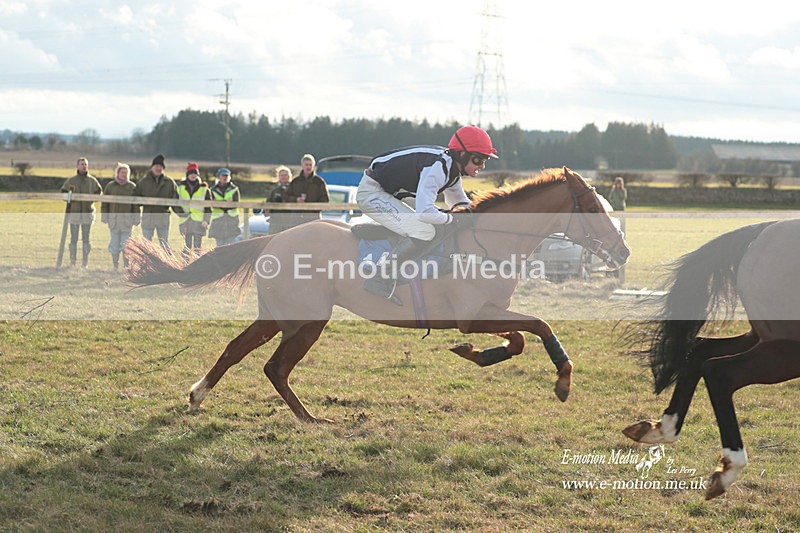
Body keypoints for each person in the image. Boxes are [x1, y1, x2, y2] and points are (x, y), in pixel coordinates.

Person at [356, 125, 497, 304]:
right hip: (373, 193)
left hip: (393, 192)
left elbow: (458, 202)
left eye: (485, 161)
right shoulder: (438, 168)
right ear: (462, 154)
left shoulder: (453, 170)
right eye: (478, 159)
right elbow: (425, 213)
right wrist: (452, 219)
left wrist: (478, 217)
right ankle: (379, 278)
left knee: (439, 220)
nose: (482, 166)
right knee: (425, 231)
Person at [60, 157, 102, 268]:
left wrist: (91, 199)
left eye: (86, 164)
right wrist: (71, 198)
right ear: (77, 166)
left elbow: (99, 193)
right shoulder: (71, 181)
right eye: (82, 164)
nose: (84, 166)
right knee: (73, 239)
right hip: (74, 214)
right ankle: (72, 262)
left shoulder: (92, 181)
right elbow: (63, 194)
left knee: (86, 239)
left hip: (87, 215)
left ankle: (85, 263)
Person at [134, 153, 178, 249]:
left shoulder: (170, 183)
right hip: (148, 218)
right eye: (156, 166)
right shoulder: (143, 182)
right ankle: (146, 264)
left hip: (163, 218)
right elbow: (135, 199)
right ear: (152, 167)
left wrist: (182, 213)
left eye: (160, 166)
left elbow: (175, 200)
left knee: (164, 245)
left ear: (163, 168)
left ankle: (165, 264)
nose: (158, 168)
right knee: (146, 246)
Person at [101, 162, 140, 270]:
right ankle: (115, 266)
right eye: (122, 172)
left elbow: (136, 205)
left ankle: (126, 266)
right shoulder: (110, 186)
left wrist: (136, 218)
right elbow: (105, 203)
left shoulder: (132, 187)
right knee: (114, 244)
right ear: (118, 173)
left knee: (126, 246)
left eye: (126, 172)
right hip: (114, 222)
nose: (124, 174)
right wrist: (104, 216)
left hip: (127, 222)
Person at [174, 162, 212, 254]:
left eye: (195, 173)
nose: (193, 175)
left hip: (199, 221)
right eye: (191, 173)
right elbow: (175, 203)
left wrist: (206, 220)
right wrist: (180, 213)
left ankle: (197, 266)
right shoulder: (180, 188)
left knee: (197, 247)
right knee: (187, 246)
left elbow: (208, 207)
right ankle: (185, 265)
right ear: (187, 175)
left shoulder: (205, 189)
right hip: (185, 220)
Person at [284, 153, 329, 228]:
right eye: (306, 165)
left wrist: (312, 207)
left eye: (310, 165)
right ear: (302, 166)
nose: (308, 167)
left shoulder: (319, 182)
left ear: (313, 166)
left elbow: (325, 200)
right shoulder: (295, 181)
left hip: (313, 219)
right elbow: (286, 197)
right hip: (296, 219)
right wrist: (296, 200)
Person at [208, 167, 241, 247]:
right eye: (223, 176)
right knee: (219, 246)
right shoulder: (212, 190)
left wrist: (219, 203)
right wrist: (226, 203)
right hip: (218, 222)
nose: (225, 178)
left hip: (231, 221)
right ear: (219, 177)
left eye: (226, 176)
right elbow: (211, 204)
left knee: (231, 246)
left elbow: (235, 204)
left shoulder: (235, 189)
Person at [266, 165, 293, 234]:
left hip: (290, 221)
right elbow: (268, 203)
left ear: (289, 176)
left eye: (285, 175)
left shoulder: (294, 188)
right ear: (278, 177)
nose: (284, 177)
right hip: (276, 222)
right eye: (281, 175)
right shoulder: (274, 190)